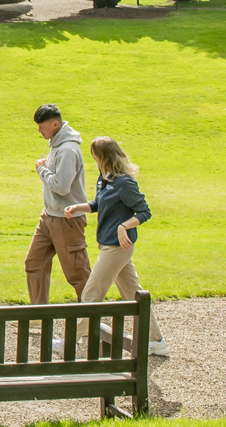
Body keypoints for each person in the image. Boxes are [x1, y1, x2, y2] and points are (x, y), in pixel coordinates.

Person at [64, 137, 169, 357]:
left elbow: (144, 212)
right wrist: (77, 208)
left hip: (117, 247)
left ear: (103, 157)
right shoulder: (104, 179)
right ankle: (157, 341)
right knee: (134, 294)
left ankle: (71, 343)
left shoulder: (125, 183)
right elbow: (97, 204)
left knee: (92, 292)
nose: (92, 158)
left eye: (94, 154)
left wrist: (124, 225)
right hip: (107, 245)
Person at [25, 103, 90, 305]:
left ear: (55, 124)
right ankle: (38, 315)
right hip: (49, 216)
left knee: (77, 273)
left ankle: (91, 315)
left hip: (67, 219)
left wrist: (42, 170)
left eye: (42, 127)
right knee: (34, 262)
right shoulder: (55, 144)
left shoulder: (68, 150)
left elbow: (62, 187)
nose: (39, 131)